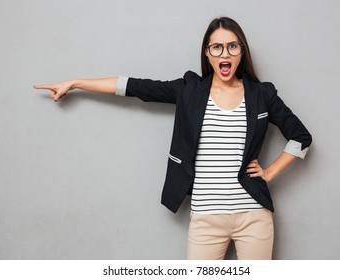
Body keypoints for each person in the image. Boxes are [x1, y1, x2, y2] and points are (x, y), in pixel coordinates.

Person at [34, 17, 312, 260]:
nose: (224, 53)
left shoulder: (262, 94)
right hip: (206, 219)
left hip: (254, 217)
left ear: (241, 52)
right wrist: (76, 82)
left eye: (232, 46)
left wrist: (271, 171)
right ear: (207, 53)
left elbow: (301, 136)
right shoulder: (190, 89)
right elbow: (135, 87)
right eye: (216, 46)